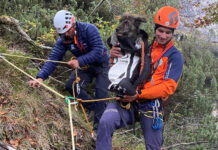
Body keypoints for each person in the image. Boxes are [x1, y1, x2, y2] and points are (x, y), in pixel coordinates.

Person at [96, 6, 184, 150]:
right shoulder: (144, 47)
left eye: (168, 32)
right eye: (160, 31)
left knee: (153, 147)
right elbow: (124, 64)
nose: (163, 35)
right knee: (106, 121)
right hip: (130, 100)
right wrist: (113, 55)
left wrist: (139, 94)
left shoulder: (175, 56)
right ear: (155, 29)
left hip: (151, 105)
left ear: (172, 33)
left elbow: (168, 87)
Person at [28, 10, 110, 129]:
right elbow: (53, 58)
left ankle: (99, 130)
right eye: (63, 33)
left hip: (101, 65)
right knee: (71, 85)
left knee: (101, 95)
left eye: (68, 31)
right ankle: (94, 107)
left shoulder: (89, 29)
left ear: (73, 24)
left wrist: (79, 61)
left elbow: (98, 51)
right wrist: (40, 78)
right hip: (86, 67)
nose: (66, 35)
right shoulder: (63, 40)